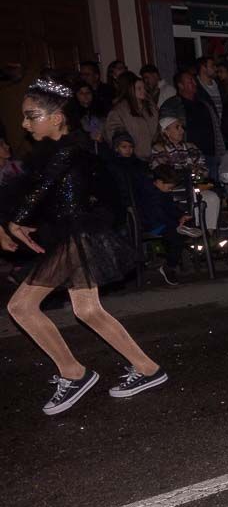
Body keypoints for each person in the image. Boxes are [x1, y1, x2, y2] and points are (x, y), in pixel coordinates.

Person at [3, 78, 168, 414]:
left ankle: (73, 372)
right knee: (88, 310)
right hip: (74, 235)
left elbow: (40, 191)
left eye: (31, 116)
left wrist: (14, 219)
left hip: (78, 236)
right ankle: (148, 368)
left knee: (22, 307)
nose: (23, 124)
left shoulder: (68, 149)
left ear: (56, 118)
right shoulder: (56, 151)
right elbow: (47, 196)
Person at [149, 115, 219, 237]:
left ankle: (207, 235)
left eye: (181, 127)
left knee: (212, 197)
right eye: (177, 127)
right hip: (172, 191)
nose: (182, 130)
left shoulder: (191, 147)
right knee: (193, 198)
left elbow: (203, 169)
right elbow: (164, 173)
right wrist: (189, 171)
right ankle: (192, 232)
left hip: (194, 188)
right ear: (165, 131)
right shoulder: (158, 149)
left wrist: (191, 172)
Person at [161, 70, 225, 176]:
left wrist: (220, 151)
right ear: (180, 85)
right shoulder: (172, 106)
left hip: (210, 154)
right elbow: (165, 130)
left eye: (194, 81)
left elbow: (216, 128)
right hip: (188, 158)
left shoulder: (204, 103)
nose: (194, 84)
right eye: (190, 81)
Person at [103, 71, 159, 160]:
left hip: (153, 156)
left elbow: (156, 129)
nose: (143, 91)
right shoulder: (120, 110)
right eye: (139, 88)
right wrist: (127, 149)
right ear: (131, 90)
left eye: (144, 88)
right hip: (132, 158)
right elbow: (113, 133)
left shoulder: (150, 107)